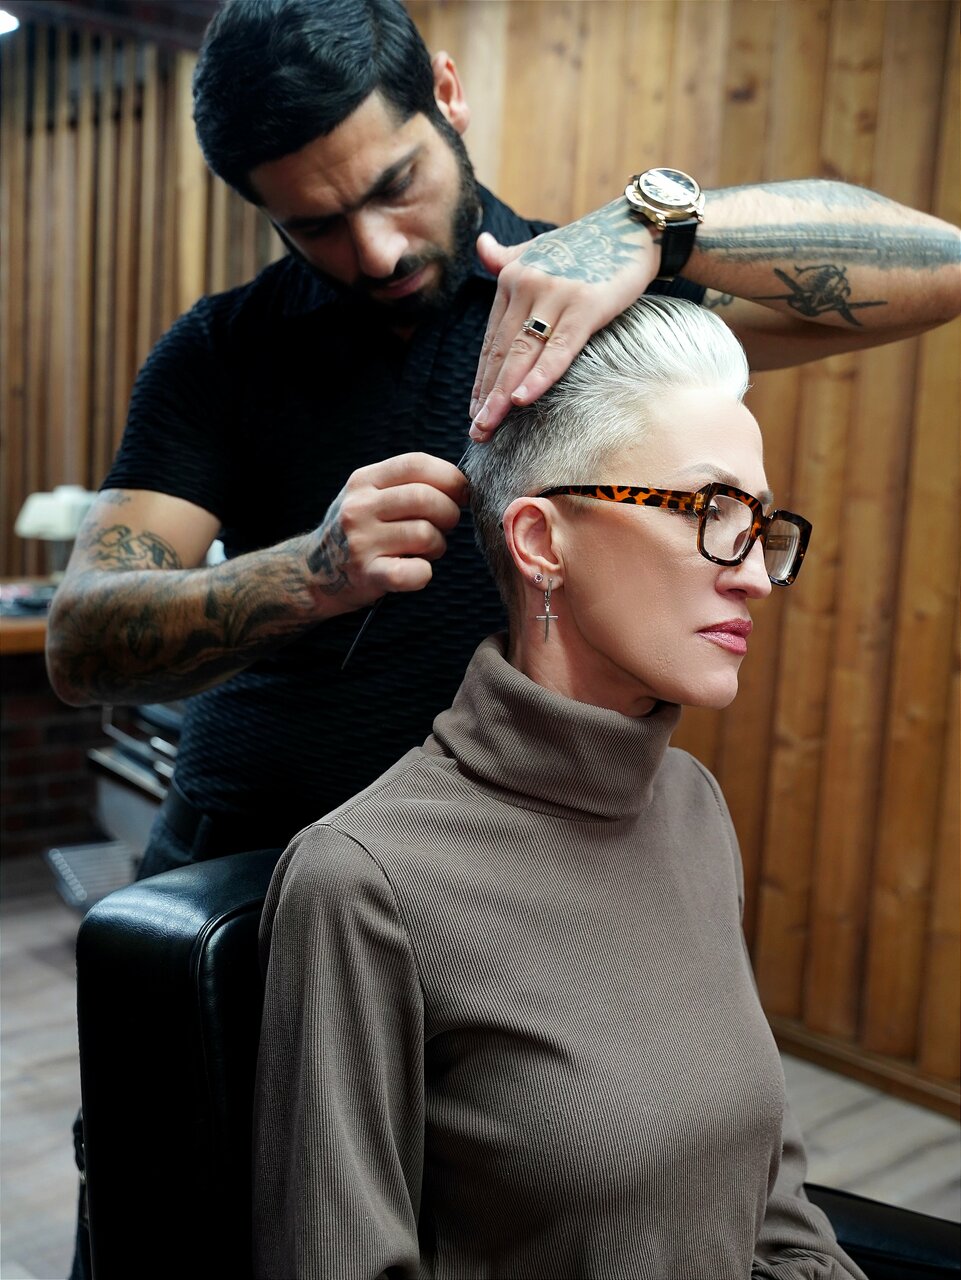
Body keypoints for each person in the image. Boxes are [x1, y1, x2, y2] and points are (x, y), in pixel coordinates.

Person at [48, 1, 958, 1274]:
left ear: (448, 95)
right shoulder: (219, 356)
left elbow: (941, 266)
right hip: (265, 883)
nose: (372, 250)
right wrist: (305, 573)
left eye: (392, 186)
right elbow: (81, 642)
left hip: (526, 877)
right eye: (313, 223)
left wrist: (654, 222)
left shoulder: (584, 311)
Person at [253, 295, 862, 1278]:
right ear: (540, 540)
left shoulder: (690, 806)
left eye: (759, 523)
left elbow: (773, 1207)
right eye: (710, 512)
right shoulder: (365, 883)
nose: (754, 573)